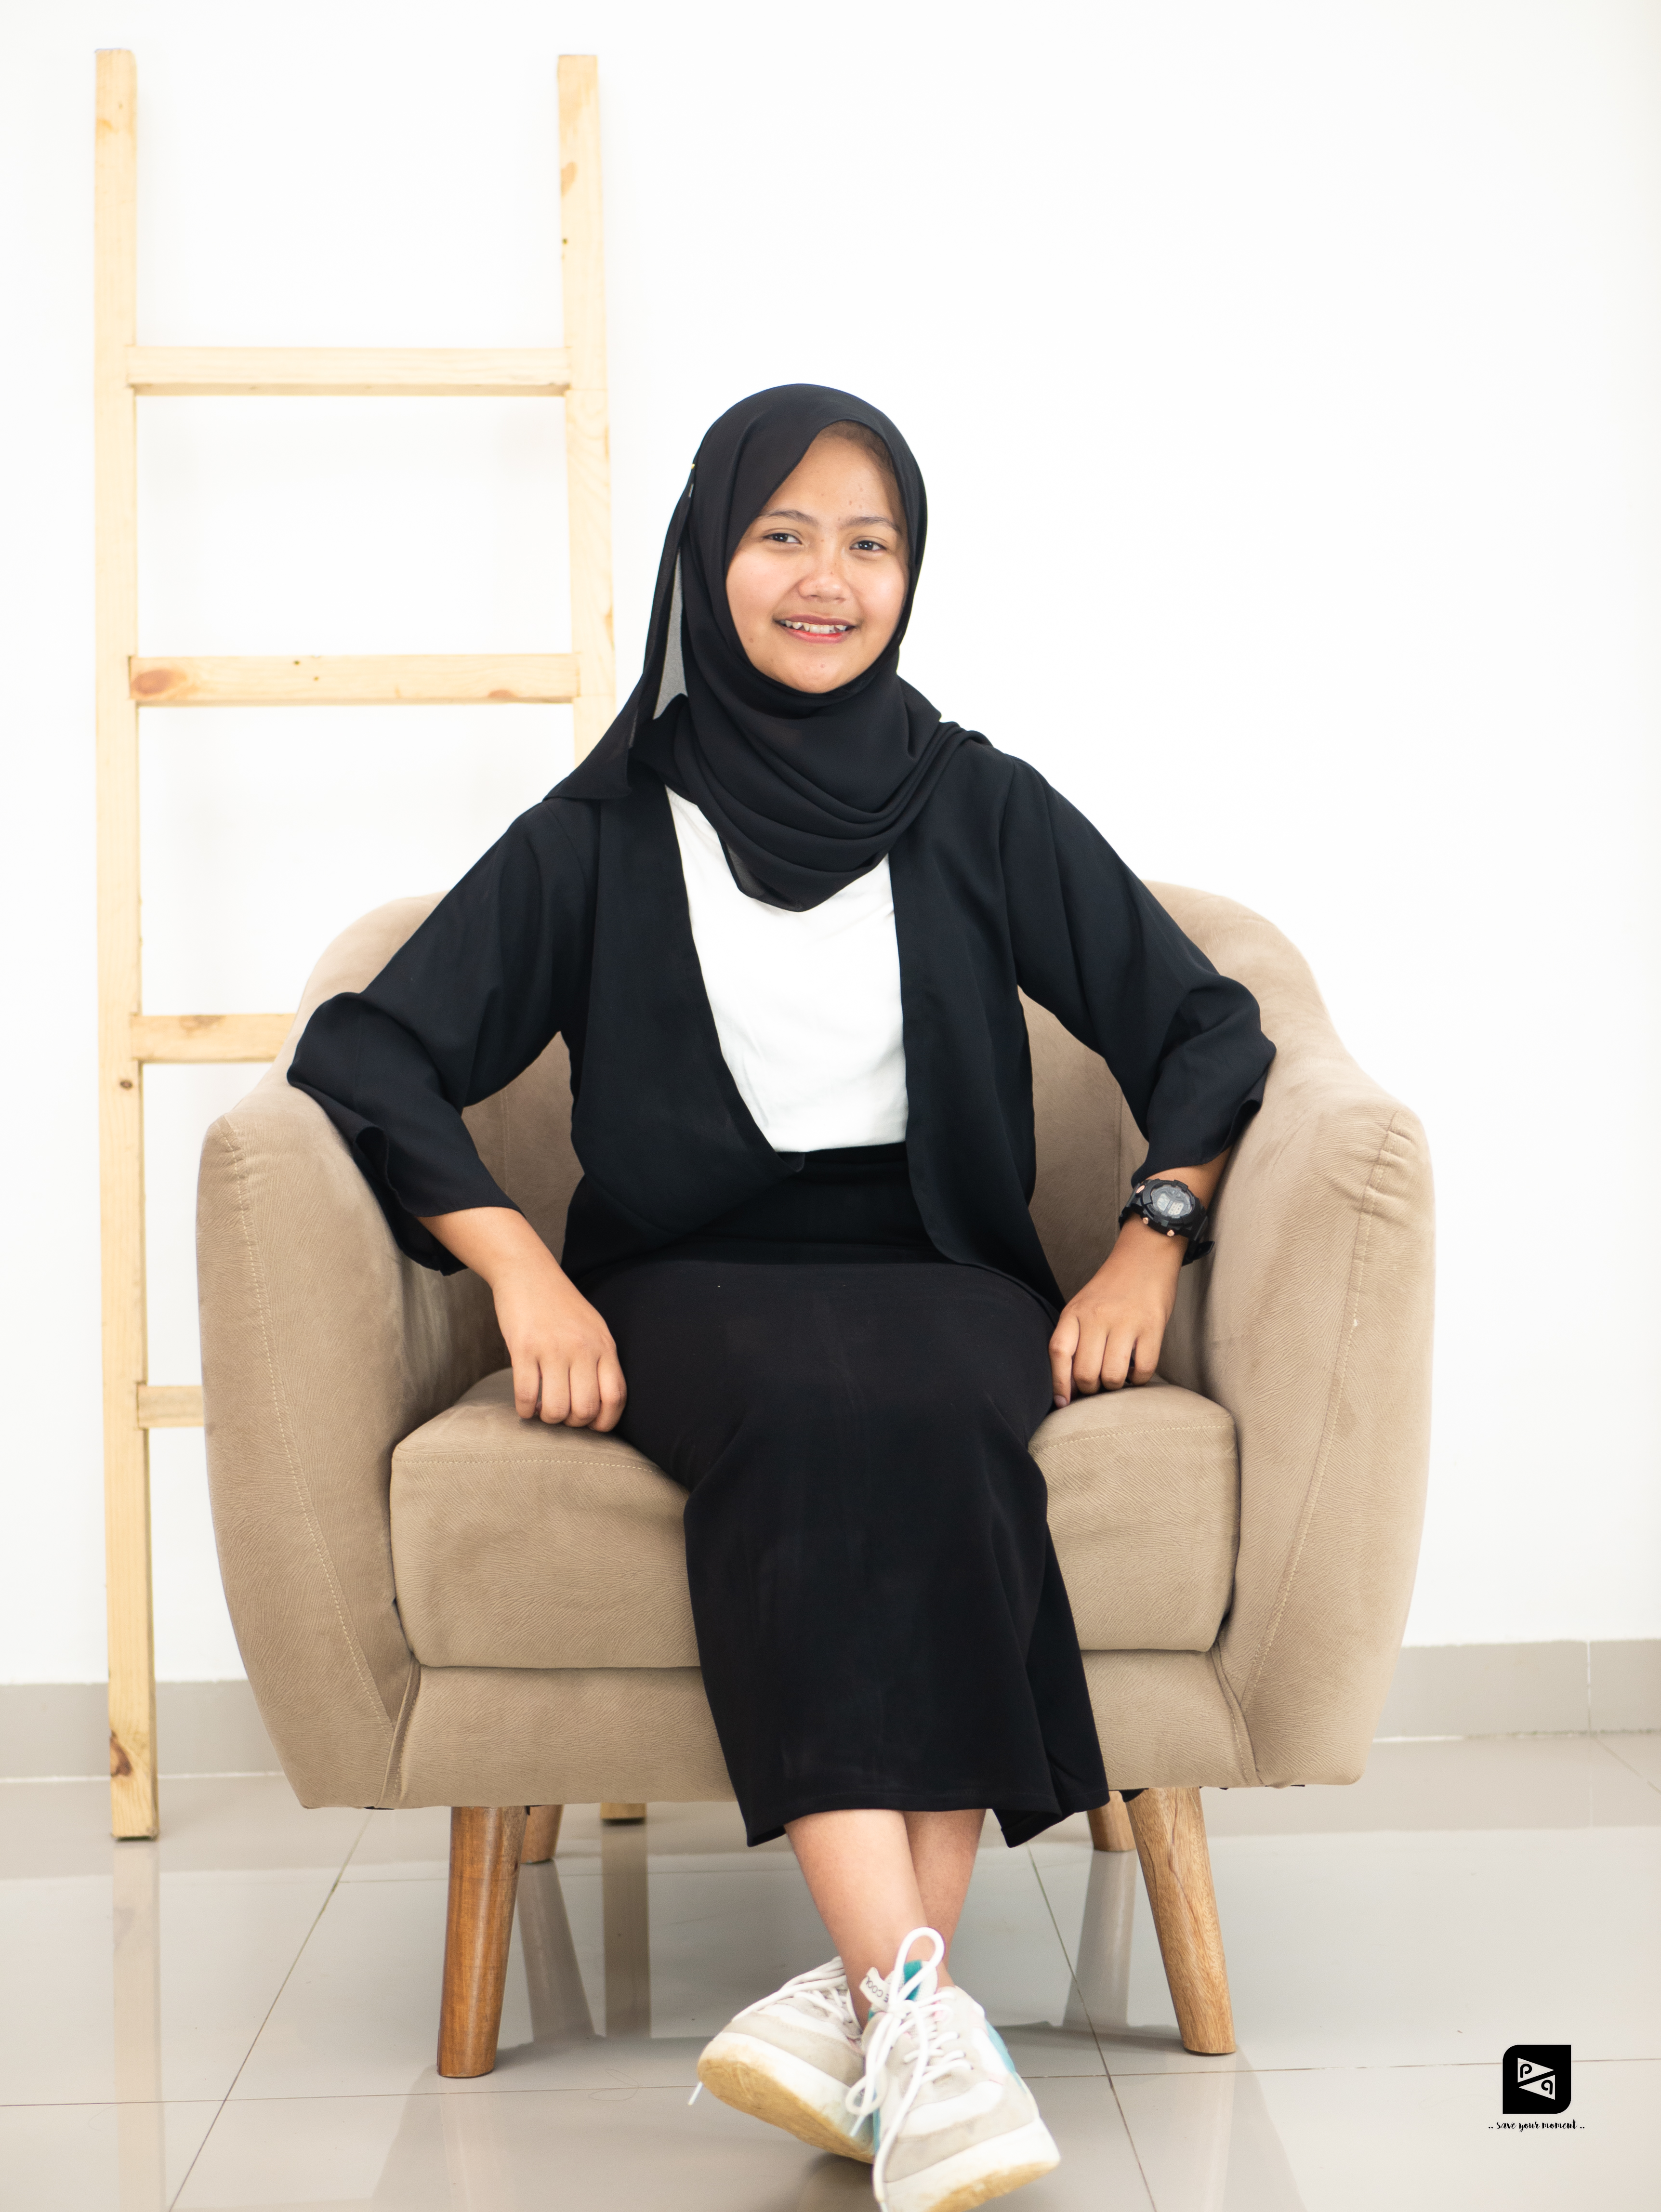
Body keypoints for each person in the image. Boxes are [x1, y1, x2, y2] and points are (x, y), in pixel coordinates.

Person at [290, 385, 1274, 2211]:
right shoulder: (603, 826)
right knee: (823, 1413)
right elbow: (368, 1049)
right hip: (693, 1277)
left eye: (870, 543)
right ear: (710, 557)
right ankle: (926, 2020)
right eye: (784, 535)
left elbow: (1207, 1025)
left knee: (946, 1413)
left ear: (912, 575)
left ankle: (883, 2011)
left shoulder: (976, 799)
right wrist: (519, 1270)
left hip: (941, 1268)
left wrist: (1153, 1234)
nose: (829, 578)